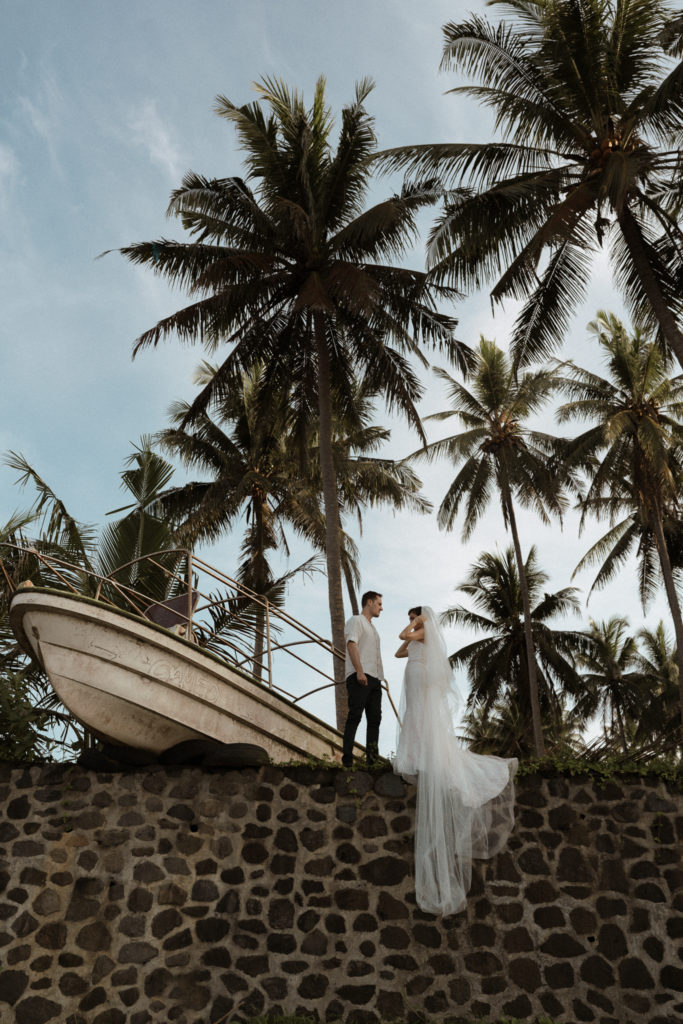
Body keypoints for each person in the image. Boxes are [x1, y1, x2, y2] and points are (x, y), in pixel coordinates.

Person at [393, 605, 517, 916]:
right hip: (412, 673)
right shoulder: (418, 637)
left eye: (414, 616)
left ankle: (424, 755)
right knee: (414, 717)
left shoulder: (422, 631)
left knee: (421, 716)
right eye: (411, 617)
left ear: (421, 618)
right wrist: (411, 636)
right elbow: (399, 651)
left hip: (420, 676)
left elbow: (400, 635)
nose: (410, 621)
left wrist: (415, 626)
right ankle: (414, 753)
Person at [342, 590, 384, 767]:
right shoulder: (356, 620)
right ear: (369, 602)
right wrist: (359, 671)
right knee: (355, 715)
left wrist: (379, 679)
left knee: (375, 719)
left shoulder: (373, 628)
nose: (381, 608)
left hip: (375, 679)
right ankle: (347, 760)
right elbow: (352, 644)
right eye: (379, 604)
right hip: (360, 675)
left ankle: (372, 761)